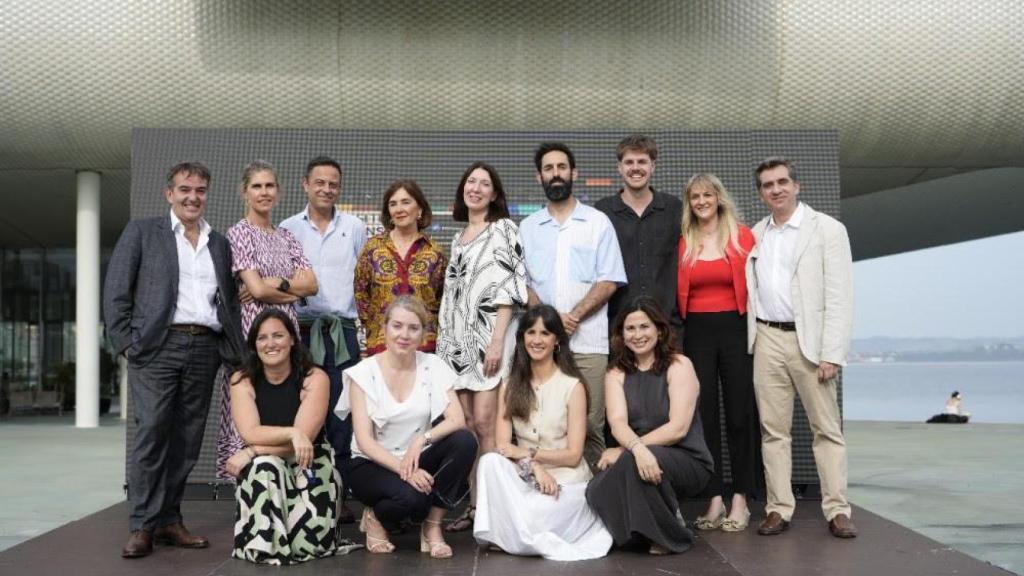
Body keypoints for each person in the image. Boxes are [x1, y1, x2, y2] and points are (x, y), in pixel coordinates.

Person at [103, 162, 244, 558]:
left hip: (204, 348)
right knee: (152, 433)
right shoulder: (143, 232)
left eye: (199, 190)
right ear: (170, 194)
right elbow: (116, 290)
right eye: (185, 189)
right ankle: (142, 525)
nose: (192, 197)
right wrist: (126, 343)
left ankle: (168, 518)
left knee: (187, 440)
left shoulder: (219, 243)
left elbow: (227, 301)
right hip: (157, 347)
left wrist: (231, 349)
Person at [746, 157, 857, 538]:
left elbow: (840, 295)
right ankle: (778, 509)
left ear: (797, 186)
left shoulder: (828, 229)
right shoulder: (756, 234)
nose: (775, 189)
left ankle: (837, 510)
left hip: (810, 341)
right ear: (761, 193)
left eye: (782, 182)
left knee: (826, 429)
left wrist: (832, 353)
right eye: (768, 185)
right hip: (767, 338)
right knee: (773, 431)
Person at [335, 296, 477, 558]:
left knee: (465, 441)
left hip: (415, 456)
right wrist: (406, 471)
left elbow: (457, 419)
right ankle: (376, 517)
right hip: (370, 463)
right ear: (385, 328)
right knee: (414, 500)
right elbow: (365, 441)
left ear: (423, 334)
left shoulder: (432, 365)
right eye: (397, 326)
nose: (404, 335)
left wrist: (421, 440)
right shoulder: (363, 373)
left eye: (413, 328)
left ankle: (432, 526)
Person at [473, 304, 613, 561]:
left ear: (556, 340)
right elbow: (503, 447)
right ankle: (514, 531)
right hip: (528, 477)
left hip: (565, 484)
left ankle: (509, 532)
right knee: (489, 461)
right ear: (522, 337)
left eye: (545, 333)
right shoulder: (510, 386)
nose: (537, 340)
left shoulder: (573, 386)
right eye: (531, 332)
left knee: (534, 514)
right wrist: (535, 466)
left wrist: (529, 453)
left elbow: (573, 455)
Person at [519, 142, 627, 469]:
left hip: (588, 344)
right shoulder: (528, 228)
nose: (556, 174)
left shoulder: (597, 222)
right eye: (548, 168)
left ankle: (594, 495)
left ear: (574, 173)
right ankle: (546, 492)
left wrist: (574, 317)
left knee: (591, 424)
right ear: (539, 176)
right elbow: (521, 282)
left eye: (561, 167)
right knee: (541, 423)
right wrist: (550, 323)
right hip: (540, 345)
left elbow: (609, 280)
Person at [436, 161, 528, 532]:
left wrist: (496, 341)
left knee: (488, 424)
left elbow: (510, 288)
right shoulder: (458, 238)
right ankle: (475, 508)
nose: (475, 188)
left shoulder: (504, 228)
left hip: (489, 341)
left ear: (494, 193)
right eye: (470, 181)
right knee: (469, 427)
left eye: (484, 183)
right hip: (456, 344)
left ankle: (494, 510)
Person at [586, 297, 713, 554]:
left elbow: (678, 428)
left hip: (687, 458)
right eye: (630, 328)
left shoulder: (679, 365)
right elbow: (617, 423)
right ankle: (645, 529)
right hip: (639, 456)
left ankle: (672, 535)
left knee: (637, 462)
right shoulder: (616, 372)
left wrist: (629, 450)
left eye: (644, 326)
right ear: (621, 335)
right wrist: (637, 450)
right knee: (595, 490)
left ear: (659, 330)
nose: (638, 335)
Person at [217, 160, 318, 480]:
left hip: (287, 333)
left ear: (279, 191)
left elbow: (311, 285)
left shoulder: (287, 236)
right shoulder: (239, 233)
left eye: (269, 185)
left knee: (286, 401)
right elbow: (257, 289)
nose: (264, 192)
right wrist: (289, 291)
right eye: (257, 186)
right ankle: (250, 481)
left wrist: (279, 284)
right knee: (254, 401)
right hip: (254, 335)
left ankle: (291, 478)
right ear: (244, 192)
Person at [280, 155, 367, 523]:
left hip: (343, 333)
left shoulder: (356, 227)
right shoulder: (287, 229)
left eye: (333, 184)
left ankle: (338, 497)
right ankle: (302, 494)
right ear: (305, 184)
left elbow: (364, 282)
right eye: (320, 182)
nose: (326, 189)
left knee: (341, 417)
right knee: (301, 414)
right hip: (300, 332)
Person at [677, 173, 761, 532]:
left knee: (740, 415)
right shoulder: (683, 241)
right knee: (705, 415)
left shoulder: (742, 236)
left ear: (719, 198)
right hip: (696, 331)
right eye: (695, 197)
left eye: (707, 195)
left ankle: (741, 499)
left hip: (736, 329)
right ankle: (714, 499)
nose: (701, 202)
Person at [226, 309, 337, 565]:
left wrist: (252, 451)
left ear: (292, 340)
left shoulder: (315, 377)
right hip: (265, 469)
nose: (270, 343)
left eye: (278, 335)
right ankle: (265, 546)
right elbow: (250, 432)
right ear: (254, 345)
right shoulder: (241, 380)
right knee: (265, 467)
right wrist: (291, 432)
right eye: (262, 338)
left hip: (310, 463)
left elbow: (304, 441)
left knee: (308, 547)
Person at [595, 134, 683, 342]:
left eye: (642, 161)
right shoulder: (602, 211)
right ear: (619, 167)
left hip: (667, 326)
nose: (635, 168)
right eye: (629, 162)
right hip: (618, 327)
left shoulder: (674, 208)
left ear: (653, 166)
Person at [355, 179, 447, 356]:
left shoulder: (435, 252)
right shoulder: (372, 248)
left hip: (423, 348)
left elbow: (443, 301)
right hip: (382, 346)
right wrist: (377, 327)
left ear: (419, 210)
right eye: (393, 204)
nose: (399, 209)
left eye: (406, 202)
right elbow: (361, 295)